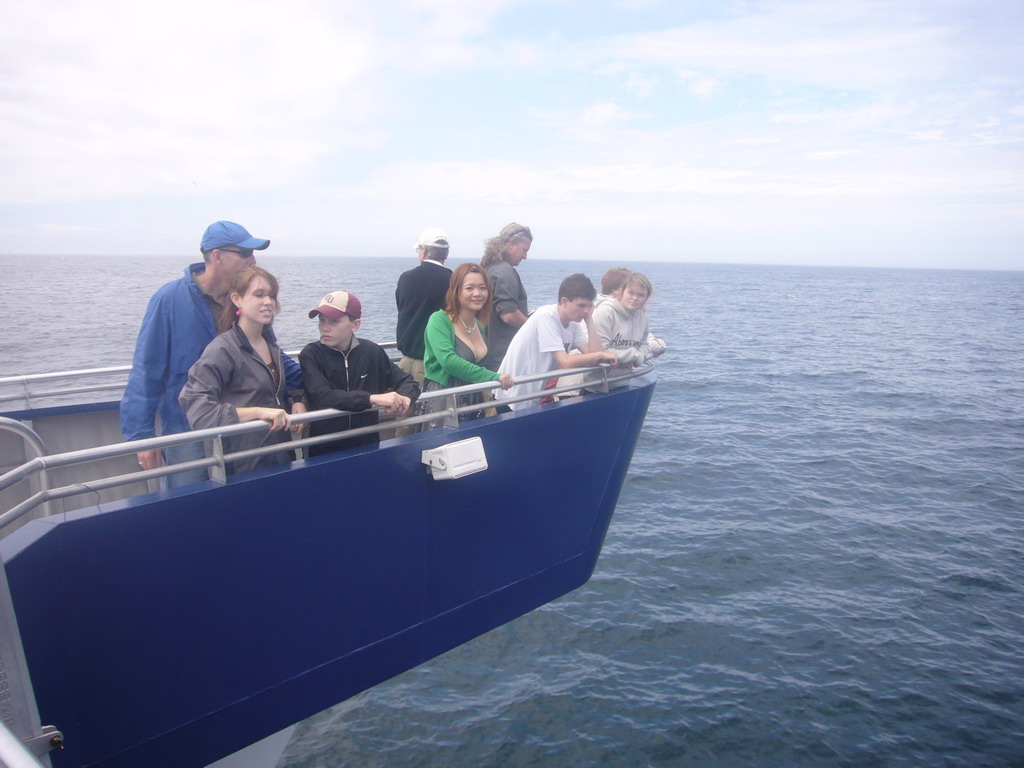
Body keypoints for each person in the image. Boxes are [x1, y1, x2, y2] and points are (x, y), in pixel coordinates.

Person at [121, 220, 287, 487]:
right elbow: (147, 368)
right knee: (190, 506)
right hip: (188, 430)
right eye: (244, 253)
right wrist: (142, 437)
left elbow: (270, 355)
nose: (253, 259)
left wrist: (301, 393)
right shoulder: (169, 299)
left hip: (239, 431)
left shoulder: (248, 304)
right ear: (217, 256)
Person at [178, 267, 306, 476]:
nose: (268, 302)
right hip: (240, 464)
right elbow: (199, 412)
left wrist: (295, 400)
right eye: (259, 294)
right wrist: (258, 413)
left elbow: (270, 391)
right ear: (237, 299)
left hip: (279, 455)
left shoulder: (270, 346)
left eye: (271, 295)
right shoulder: (223, 350)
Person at [299, 290, 419, 456]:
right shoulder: (311, 354)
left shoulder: (371, 351)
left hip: (366, 445)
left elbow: (407, 381)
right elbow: (322, 396)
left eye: (333, 321)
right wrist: (371, 398)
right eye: (321, 320)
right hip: (323, 448)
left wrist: (405, 397)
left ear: (355, 324)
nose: (325, 327)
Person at [495, 273, 617, 410]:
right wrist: (601, 356)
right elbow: (565, 361)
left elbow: (594, 355)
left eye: (589, 306)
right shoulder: (546, 316)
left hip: (533, 395)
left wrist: (589, 320)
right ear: (564, 301)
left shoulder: (573, 324)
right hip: (511, 394)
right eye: (581, 305)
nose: (586, 310)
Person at [419, 263, 515, 425]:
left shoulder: (479, 326)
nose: (477, 293)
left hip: (473, 400)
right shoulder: (439, 320)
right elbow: (449, 362)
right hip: (445, 401)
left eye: (482, 288)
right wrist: (494, 377)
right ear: (456, 291)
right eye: (469, 288)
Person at [394, 228, 452, 435]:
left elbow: (402, 308)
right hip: (433, 364)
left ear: (424, 251)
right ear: (445, 255)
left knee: (405, 420)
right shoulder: (453, 281)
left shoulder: (406, 278)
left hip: (406, 361)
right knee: (429, 422)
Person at [481, 222, 532, 371]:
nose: (525, 256)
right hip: (502, 357)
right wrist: (533, 328)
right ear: (511, 244)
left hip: (487, 352)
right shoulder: (505, 272)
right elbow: (508, 314)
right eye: (524, 250)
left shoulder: (489, 268)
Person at [593, 271, 667, 368]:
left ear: (646, 298)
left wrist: (640, 356)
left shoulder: (642, 316)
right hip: (597, 380)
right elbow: (600, 351)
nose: (635, 298)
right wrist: (633, 356)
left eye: (641, 295)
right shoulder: (606, 312)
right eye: (631, 293)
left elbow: (644, 343)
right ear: (622, 291)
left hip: (623, 378)